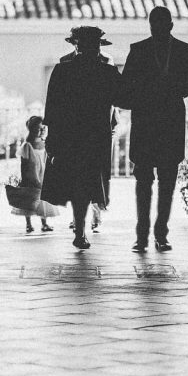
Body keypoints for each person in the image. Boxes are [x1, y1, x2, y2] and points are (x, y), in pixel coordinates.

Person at [116, 6, 188, 252]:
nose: (157, 29)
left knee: (167, 183)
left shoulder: (186, 51)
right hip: (145, 123)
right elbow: (125, 86)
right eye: (153, 25)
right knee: (143, 181)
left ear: (170, 26)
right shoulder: (138, 50)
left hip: (169, 124)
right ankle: (142, 235)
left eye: (160, 25)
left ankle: (160, 233)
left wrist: (171, 88)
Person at [40, 26, 123, 249]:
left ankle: (80, 230)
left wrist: (52, 139)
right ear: (97, 48)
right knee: (87, 183)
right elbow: (125, 98)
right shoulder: (107, 72)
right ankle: (80, 230)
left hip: (69, 136)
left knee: (77, 182)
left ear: (76, 46)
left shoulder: (62, 71)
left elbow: (52, 108)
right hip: (96, 136)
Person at [57, 47, 117, 234]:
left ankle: (97, 212)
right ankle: (78, 220)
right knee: (77, 175)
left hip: (103, 126)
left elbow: (114, 96)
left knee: (100, 174)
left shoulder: (107, 62)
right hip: (76, 129)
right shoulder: (64, 62)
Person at [7, 116, 65, 233]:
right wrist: (25, 178)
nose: (41, 131)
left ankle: (44, 223)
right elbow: (24, 165)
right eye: (38, 128)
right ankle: (28, 224)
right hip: (31, 175)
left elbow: (46, 160)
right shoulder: (27, 146)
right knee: (28, 200)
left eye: (43, 128)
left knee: (43, 199)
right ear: (32, 129)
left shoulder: (44, 144)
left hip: (43, 174)